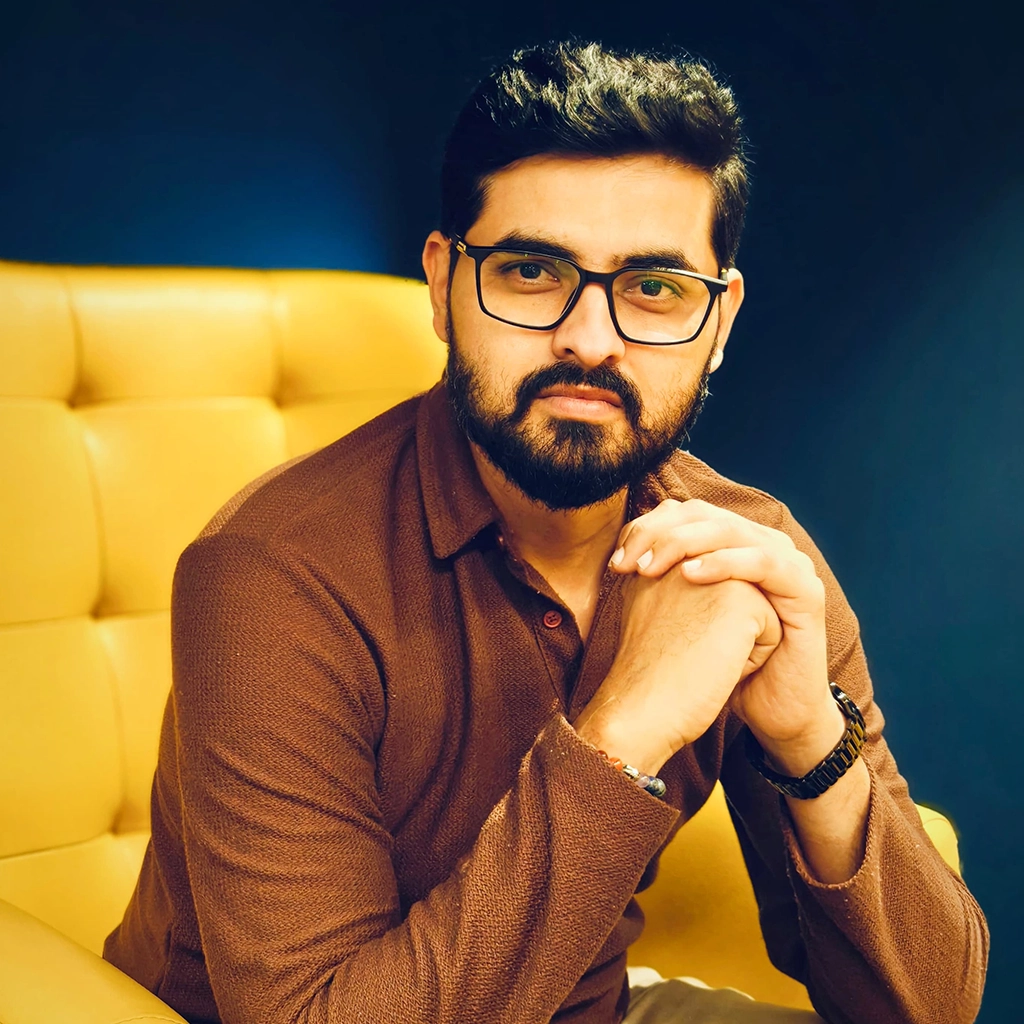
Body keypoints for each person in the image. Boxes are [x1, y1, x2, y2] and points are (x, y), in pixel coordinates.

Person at [103, 40, 988, 1024]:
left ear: (719, 322)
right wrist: (623, 732)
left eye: (655, 287)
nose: (590, 340)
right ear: (442, 285)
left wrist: (809, 736)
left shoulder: (741, 558)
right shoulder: (270, 576)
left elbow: (931, 1007)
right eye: (531, 271)